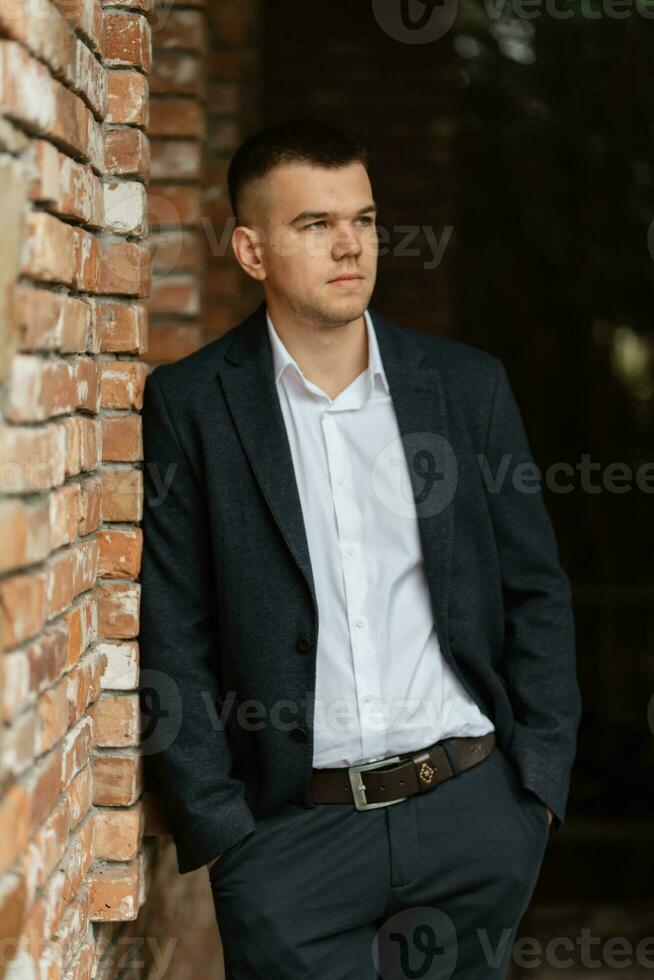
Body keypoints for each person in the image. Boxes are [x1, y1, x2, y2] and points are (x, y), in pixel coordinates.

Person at [138, 119, 582, 979]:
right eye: (314, 225)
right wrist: (226, 835)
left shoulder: (463, 388)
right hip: (290, 848)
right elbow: (173, 627)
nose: (351, 247)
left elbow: (537, 591)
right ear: (251, 249)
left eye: (365, 221)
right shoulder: (193, 405)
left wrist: (536, 793)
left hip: (471, 818)